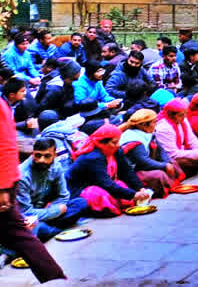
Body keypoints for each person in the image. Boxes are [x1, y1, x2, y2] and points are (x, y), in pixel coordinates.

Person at [0, 96, 66, 281]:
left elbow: (5, 145)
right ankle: (55, 279)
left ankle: (55, 280)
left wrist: (3, 186)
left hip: (3, 184)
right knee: (21, 235)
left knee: (21, 234)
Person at [67, 123, 153, 217]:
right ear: (101, 143)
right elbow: (105, 183)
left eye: (118, 141)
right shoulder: (93, 157)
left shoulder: (115, 151)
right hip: (82, 189)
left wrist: (140, 188)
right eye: (114, 142)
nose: (118, 145)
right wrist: (133, 195)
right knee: (99, 195)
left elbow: (127, 171)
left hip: (103, 184)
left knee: (121, 184)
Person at [16, 138, 87, 242]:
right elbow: (27, 212)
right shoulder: (22, 175)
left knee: (81, 203)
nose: (41, 160)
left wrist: (53, 209)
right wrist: (56, 211)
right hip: (30, 218)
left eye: (47, 156)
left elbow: (63, 196)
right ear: (32, 154)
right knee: (37, 227)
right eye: (38, 155)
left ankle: (51, 230)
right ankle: (52, 231)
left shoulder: (56, 166)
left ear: (55, 155)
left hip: (46, 211)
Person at [119, 109, 184, 197]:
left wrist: (167, 162)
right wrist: (164, 166)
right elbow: (143, 161)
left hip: (144, 166)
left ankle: (174, 185)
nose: (155, 125)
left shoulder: (146, 133)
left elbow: (161, 150)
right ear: (143, 125)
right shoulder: (132, 138)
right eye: (154, 122)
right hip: (134, 171)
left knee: (172, 162)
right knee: (159, 175)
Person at [154, 98, 198, 176]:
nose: (184, 117)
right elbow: (172, 154)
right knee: (190, 162)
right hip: (170, 158)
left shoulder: (183, 120)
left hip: (182, 150)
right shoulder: (164, 128)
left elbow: (192, 140)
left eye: (185, 114)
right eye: (181, 115)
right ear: (171, 115)